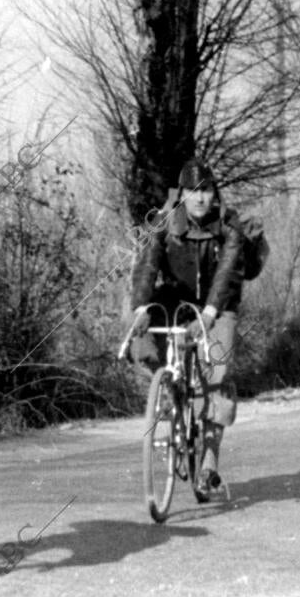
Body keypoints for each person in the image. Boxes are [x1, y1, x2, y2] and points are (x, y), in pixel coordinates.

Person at [130, 158, 245, 498]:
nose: (199, 199)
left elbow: (226, 272)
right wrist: (140, 308)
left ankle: (208, 464)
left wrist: (209, 315)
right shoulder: (164, 222)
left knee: (217, 375)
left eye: (206, 190)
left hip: (219, 304)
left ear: (215, 194)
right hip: (175, 302)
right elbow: (148, 265)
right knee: (140, 342)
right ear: (181, 194)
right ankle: (167, 389)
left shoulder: (229, 225)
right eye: (192, 191)